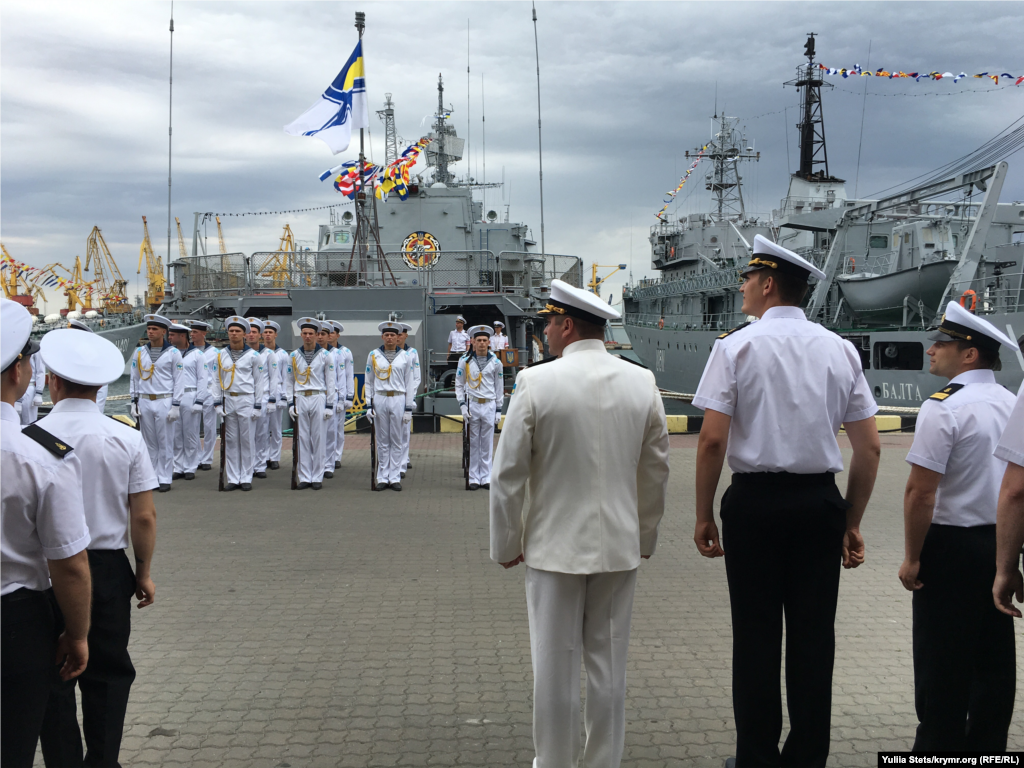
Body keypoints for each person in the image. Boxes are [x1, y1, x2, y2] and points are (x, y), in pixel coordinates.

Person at [691, 235, 880, 768]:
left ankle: (755, 757)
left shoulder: (735, 346)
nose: (743, 288)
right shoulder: (840, 349)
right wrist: (851, 518)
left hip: (754, 505)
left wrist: (704, 513)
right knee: (814, 638)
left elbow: (710, 441)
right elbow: (868, 446)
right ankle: (806, 758)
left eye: (748, 279)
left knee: (755, 636)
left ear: (768, 284)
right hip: (819, 503)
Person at [490, 280, 669, 768]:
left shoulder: (536, 382)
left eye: (548, 322)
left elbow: (508, 474)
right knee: (608, 667)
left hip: (553, 549)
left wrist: (506, 542)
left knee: (554, 667)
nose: (545, 332)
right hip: (618, 546)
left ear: (567, 325)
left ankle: (553, 763)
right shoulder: (642, 382)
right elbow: (655, 469)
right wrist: (645, 536)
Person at [35, 328, 158, 768]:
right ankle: (104, 760)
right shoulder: (125, 437)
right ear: (102, 386)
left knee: (54, 676)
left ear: (52, 380)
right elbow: (143, 516)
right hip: (107, 567)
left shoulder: (31, 438)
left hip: (46, 568)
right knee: (108, 671)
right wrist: (142, 571)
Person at [898, 300, 1018, 752]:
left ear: (969, 354)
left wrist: (912, 557)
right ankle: (988, 751)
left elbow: (920, 493)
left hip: (948, 547)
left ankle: (935, 751)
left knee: (941, 661)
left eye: (942, 343)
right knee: (992, 661)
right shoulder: (1010, 403)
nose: (931, 350)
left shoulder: (943, 407)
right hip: (999, 544)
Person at [0, 299, 92, 768]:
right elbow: (71, 565)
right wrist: (77, 635)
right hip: (16, 623)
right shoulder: (41, 456)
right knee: (12, 746)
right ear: (19, 372)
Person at [129, 314, 184, 493]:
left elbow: (179, 380)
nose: (150, 332)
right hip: (145, 400)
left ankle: (165, 477)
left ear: (163, 331)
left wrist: (176, 404)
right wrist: (133, 401)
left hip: (164, 399)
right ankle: (152, 477)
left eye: (154, 329)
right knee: (149, 443)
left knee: (165, 441)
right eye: (149, 329)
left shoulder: (173, 353)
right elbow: (135, 378)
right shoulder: (139, 352)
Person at [212, 316, 265, 491]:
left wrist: (258, 405)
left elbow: (259, 382)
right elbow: (216, 380)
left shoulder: (253, 356)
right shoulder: (220, 355)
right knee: (231, 440)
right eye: (231, 331)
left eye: (237, 331)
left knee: (247, 440)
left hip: (246, 398)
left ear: (244, 334)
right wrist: (217, 403)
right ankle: (233, 478)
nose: (234, 334)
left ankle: (246, 477)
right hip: (228, 399)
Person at [366, 321, 416, 491]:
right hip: (380, 397)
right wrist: (368, 405)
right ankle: (382, 476)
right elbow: (369, 381)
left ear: (397, 337)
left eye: (393, 335)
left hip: (398, 398)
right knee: (382, 439)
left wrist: (408, 407)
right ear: (382, 337)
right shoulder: (373, 355)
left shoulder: (406, 356)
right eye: (386, 335)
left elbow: (409, 383)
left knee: (397, 439)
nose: (389, 338)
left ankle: (394, 477)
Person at [286, 318, 335, 490]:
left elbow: (331, 382)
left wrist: (330, 405)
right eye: (305, 333)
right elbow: (289, 381)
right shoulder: (293, 355)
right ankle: (305, 476)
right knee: (303, 438)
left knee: (318, 437)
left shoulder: (326, 355)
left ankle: (317, 476)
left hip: (318, 396)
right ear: (301, 335)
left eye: (311, 334)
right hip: (300, 396)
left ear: (316, 335)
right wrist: (290, 403)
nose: (308, 337)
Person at [455, 325, 502, 490]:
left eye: (484, 340)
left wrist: (498, 409)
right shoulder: (464, 360)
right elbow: (459, 385)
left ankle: (487, 477)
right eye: (478, 340)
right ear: (473, 342)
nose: (481, 343)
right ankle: (474, 477)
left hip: (488, 404)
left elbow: (499, 387)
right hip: (473, 404)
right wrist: (462, 406)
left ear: (489, 342)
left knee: (487, 443)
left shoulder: (496, 362)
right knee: (473, 442)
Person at [168, 322, 207, 481]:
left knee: (190, 434)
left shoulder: (197, 355)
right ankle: (179, 466)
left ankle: (191, 466)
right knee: (176, 434)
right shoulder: (170, 353)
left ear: (182, 336)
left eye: (172, 335)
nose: (169, 337)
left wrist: (199, 400)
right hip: (174, 397)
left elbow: (203, 379)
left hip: (191, 395)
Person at [246, 318, 278, 479]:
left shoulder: (269, 354)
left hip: (263, 398)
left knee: (261, 434)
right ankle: (248, 465)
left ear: (260, 335)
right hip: (245, 398)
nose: (251, 335)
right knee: (246, 435)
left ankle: (260, 465)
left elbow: (274, 378)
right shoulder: (241, 353)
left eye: (254, 332)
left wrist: (272, 399)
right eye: (249, 332)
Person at [190, 320, 219, 471]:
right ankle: (196, 456)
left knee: (209, 426)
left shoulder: (214, 353)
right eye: (191, 332)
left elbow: (217, 374)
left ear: (204, 333)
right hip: (192, 391)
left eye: (195, 332)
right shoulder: (188, 351)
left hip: (208, 391)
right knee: (192, 427)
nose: (192, 335)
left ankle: (207, 458)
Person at [67, 318, 109, 413]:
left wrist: (96, 413)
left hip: (89, 412)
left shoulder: (94, 359)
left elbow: (101, 389)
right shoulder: (69, 357)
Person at [263, 321, 288, 470]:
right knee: (263, 427)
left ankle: (275, 457)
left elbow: (286, 377)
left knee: (276, 426)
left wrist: (284, 397)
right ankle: (264, 455)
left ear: (275, 335)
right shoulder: (259, 353)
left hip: (278, 391)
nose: (267, 335)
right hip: (264, 392)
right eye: (265, 332)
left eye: (270, 332)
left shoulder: (283, 355)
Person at [398, 322, 421, 474]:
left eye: (401, 334)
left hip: (406, 398)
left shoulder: (412, 353)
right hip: (392, 396)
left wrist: (409, 396)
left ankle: (404, 459)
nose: (398, 337)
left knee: (404, 431)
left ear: (406, 335)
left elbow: (416, 377)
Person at [332, 321, 355, 469]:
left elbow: (348, 375)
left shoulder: (345, 352)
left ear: (337, 335)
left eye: (332, 333)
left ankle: (336, 456)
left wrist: (349, 396)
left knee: (338, 428)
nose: (328, 335)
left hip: (339, 396)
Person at [318, 323, 340, 479]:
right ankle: (316, 464)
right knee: (315, 433)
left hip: (332, 395)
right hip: (315, 396)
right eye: (317, 334)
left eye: (324, 334)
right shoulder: (309, 354)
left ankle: (329, 464)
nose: (320, 337)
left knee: (331, 432)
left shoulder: (338, 354)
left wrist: (345, 397)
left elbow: (342, 376)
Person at [15, 347, 46, 425]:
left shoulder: (34, 348)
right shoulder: (13, 346)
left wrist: (38, 393)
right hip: (14, 389)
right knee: (14, 422)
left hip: (30, 388)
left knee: (30, 423)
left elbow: (40, 371)